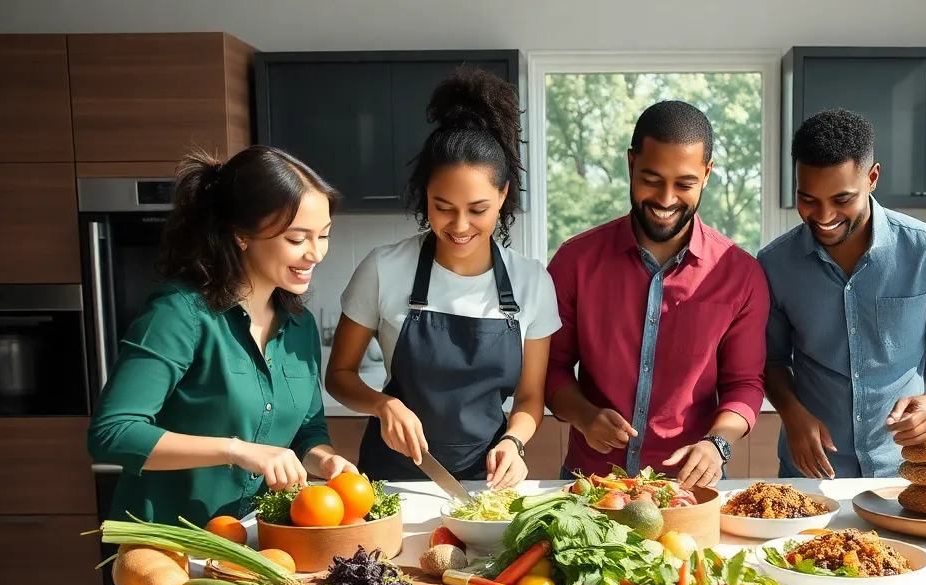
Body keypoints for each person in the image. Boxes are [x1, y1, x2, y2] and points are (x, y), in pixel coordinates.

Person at [87, 145, 358, 526]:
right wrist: (236, 450)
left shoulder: (300, 326)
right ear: (242, 236)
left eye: (324, 236)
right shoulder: (179, 313)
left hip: (251, 542)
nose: (315, 253)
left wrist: (324, 459)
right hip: (167, 545)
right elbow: (113, 434)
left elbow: (307, 432)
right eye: (297, 239)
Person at [325, 67, 560, 488]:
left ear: (504, 195)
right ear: (425, 195)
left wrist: (515, 443)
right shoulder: (383, 268)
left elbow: (529, 399)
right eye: (443, 206)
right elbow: (339, 376)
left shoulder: (532, 282)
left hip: (485, 483)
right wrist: (382, 405)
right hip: (391, 478)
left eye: (478, 208)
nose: (460, 225)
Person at [547, 100, 770, 489]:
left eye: (684, 184)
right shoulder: (574, 261)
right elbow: (550, 368)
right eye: (651, 179)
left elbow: (744, 385)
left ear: (706, 174)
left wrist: (718, 443)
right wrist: (584, 416)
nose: (666, 199)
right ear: (631, 165)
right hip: (590, 485)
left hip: (688, 490)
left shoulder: (741, 274)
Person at [759, 108, 926, 479]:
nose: (823, 216)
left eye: (841, 199)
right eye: (808, 199)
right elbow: (770, 361)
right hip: (810, 472)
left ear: (873, 178)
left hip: (902, 469)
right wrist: (792, 414)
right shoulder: (774, 264)